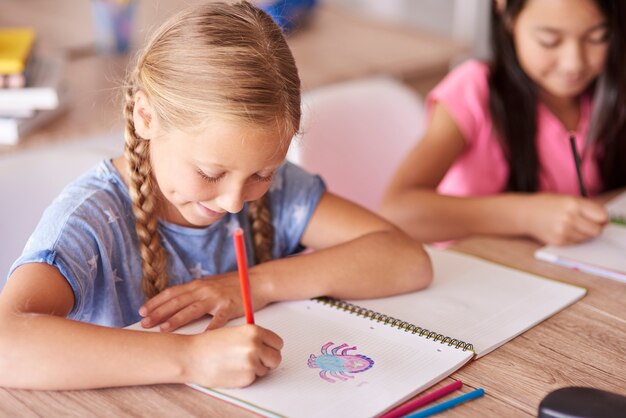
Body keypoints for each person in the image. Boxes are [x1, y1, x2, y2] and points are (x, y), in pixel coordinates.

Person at [0, 1, 432, 391]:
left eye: (262, 173)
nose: (233, 203)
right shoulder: (92, 219)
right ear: (146, 117)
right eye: (210, 173)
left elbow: (406, 260)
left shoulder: (276, 192)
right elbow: (6, 342)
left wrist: (260, 284)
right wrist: (191, 358)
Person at [380, 0, 626, 246]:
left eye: (597, 37)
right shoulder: (474, 91)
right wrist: (526, 215)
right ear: (506, 12)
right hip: (481, 271)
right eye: (549, 40)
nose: (574, 63)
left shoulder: (612, 92)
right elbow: (398, 212)